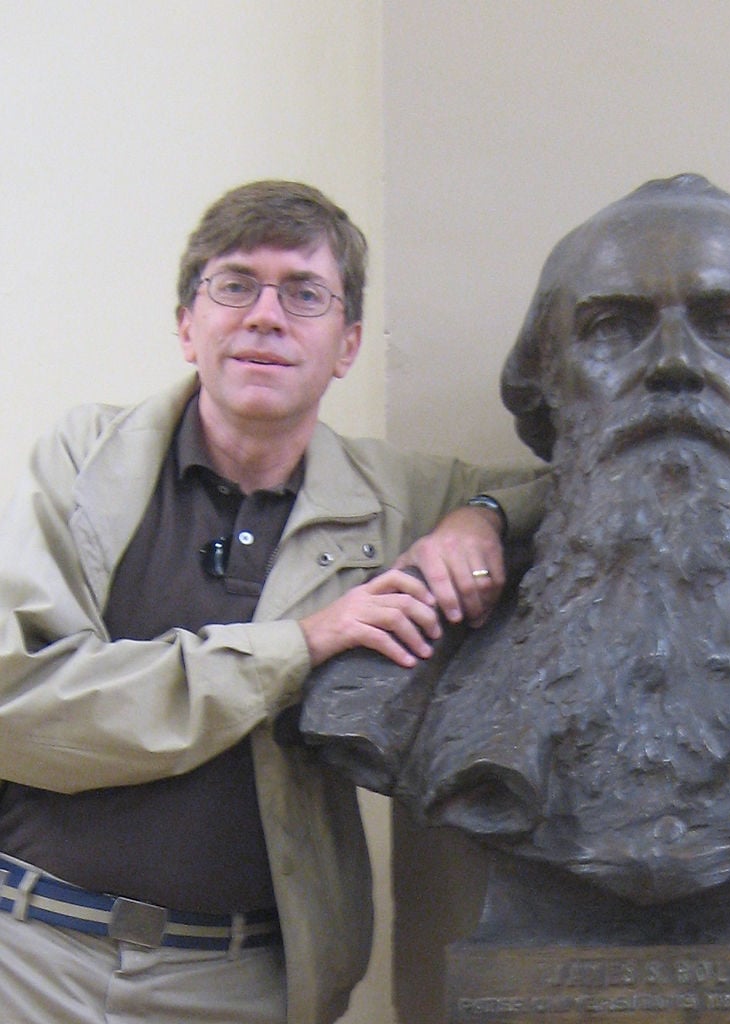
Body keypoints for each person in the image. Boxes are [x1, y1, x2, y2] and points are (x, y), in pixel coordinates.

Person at [0, 180, 542, 1024]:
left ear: (348, 343)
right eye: (235, 284)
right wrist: (300, 645)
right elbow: (19, 708)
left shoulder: (395, 496)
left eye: (304, 293)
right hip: (26, 959)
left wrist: (483, 515)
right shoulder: (83, 463)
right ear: (189, 324)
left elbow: (571, 489)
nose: (265, 315)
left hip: (241, 985)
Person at [302, 174, 730, 941]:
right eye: (613, 329)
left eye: (729, 324)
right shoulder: (397, 677)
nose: (674, 364)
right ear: (548, 385)